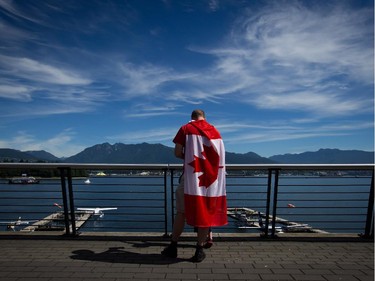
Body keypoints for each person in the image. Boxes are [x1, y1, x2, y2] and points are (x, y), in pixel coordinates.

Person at [162, 109, 227, 262]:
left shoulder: (186, 128)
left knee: (181, 212)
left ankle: (173, 247)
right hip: (211, 179)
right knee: (205, 213)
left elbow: (178, 153)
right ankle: (199, 250)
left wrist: (192, 158)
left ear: (191, 117)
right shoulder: (216, 131)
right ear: (204, 117)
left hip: (191, 177)